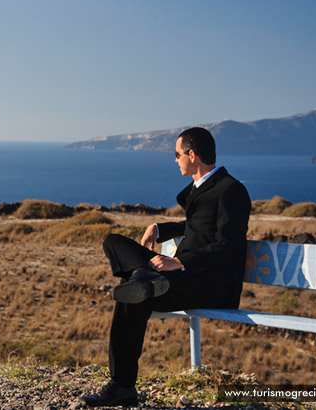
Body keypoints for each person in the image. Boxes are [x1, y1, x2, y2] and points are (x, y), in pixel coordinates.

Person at [82, 127, 250, 407]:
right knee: (114, 242)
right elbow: (197, 226)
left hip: (208, 285)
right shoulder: (204, 188)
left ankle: (122, 385)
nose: (175, 160)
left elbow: (229, 246)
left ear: (192, 155)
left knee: (133, 293)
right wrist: (160, 228)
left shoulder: (231, 190)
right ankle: (143, 277)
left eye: (177, 154)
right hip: (181, 279)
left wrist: (180, 261)